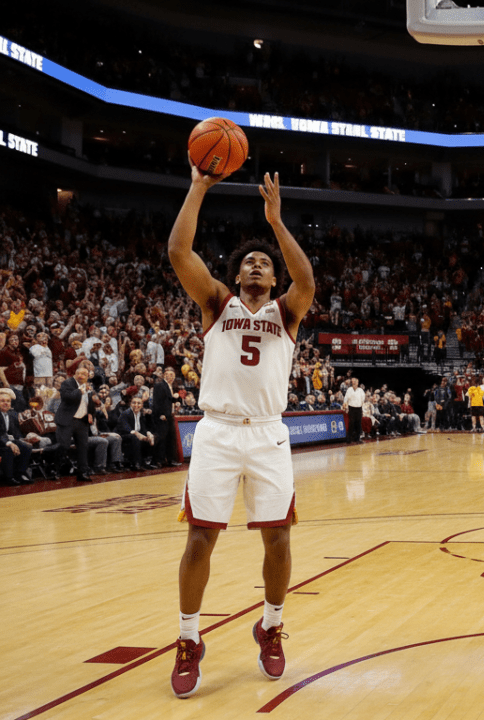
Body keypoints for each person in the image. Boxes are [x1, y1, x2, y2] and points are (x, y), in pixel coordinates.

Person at [166, 165, 314, 698]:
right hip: (219, 432)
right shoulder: (216, 304)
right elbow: (180, 253)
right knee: (200, 539)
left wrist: (276, 223)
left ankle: (271, 626)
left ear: (274, 280)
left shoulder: (287, 313)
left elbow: (308, 281)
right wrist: (199, 186)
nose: (257, 265)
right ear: (237, 275)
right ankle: (188, 640)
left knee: (278, 538)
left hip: (269, 435)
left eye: (265, 264)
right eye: (249, 261)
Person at [54, 362, 97, 483]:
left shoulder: (88, 387)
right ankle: (55, 469)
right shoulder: (67, 383)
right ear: (75, 374)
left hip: (82, 421)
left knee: (83, 447)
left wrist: (91, 414)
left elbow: (91, 404)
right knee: (63, 446)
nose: (83, 376)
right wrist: (81, 390)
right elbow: (68, 397)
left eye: (85, 374)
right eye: (80, 373)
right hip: (68, 420)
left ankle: (82, 472)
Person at [0, 388, 32, 485]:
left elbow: (14, 432)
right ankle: (9, 478)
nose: (6, 403)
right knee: (8, 450)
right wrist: (10, 444)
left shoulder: (11, 414)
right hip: (1, 442)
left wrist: (22, 440)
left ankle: (20, 473)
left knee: (26, 447)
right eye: (2, 401)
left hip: (6, 440)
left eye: (8, 401)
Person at [344, 377, 366, 443]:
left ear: (357, 383)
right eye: (353, 382)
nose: (354, 383)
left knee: (358, 423)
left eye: (355, 382)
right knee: (351, 423)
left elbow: (363, 399)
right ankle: (349, 439)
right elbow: (346, 398)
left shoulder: (360, 390)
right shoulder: (349, 390)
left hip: (359, 408)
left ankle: (357, 438)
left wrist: (362, 408)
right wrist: (345, 404)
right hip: (351, 408)